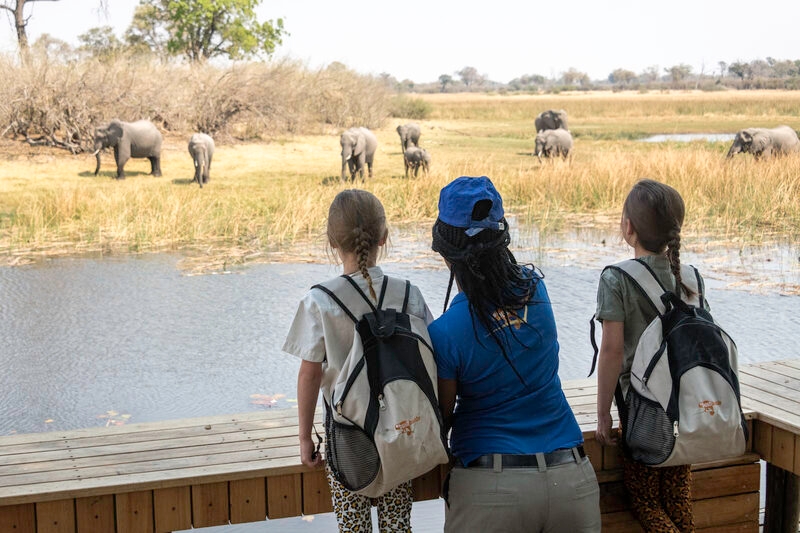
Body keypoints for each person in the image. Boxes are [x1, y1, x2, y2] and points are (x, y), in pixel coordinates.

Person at [428, 176, 601, 533]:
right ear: (503, 239)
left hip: (492, 488)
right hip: (571, 480)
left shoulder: (445, 332)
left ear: (446, 253)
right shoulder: (537, 292)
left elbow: (440, 423)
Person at [283, 189, 433, 532]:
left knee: (353, 528)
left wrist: (305, 438)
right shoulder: (408, 292)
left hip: (347, 439)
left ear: (332, 241)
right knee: (398, 526)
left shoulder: (320, 300)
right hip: (402, 429)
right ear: (384, 236)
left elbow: (308, 376)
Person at [595, 178, 703, 532]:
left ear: (629, 228)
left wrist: (603, 416)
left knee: (645, 501)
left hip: (641, 414)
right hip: (684, 409)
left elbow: (611, 352)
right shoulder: (691, 278)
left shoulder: (617, 279)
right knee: (677, 499)